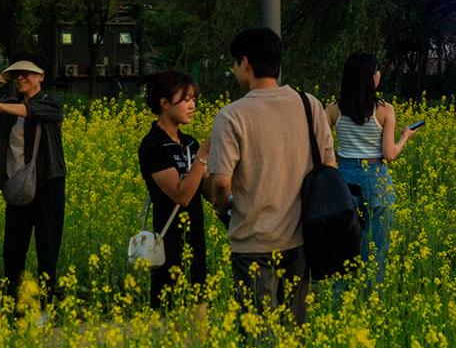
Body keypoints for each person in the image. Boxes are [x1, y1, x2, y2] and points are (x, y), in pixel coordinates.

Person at [206, 28, 336, 324]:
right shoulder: (310, 105)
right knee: (294, 332)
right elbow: (330, 167)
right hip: (300, 239)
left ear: (246, 63)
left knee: (256, 335)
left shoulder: (231, 115)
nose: (234, 70)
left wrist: (221, 205)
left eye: (235, 64)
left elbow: (222, 181)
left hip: (253, 243)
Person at [325, 52, 417, 278]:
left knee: (344, 245)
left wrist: (339, 157)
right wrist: (405, 137)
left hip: (344, 179)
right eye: (376, 72)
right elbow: (389, 154)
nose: (379, 75)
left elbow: (322, 146)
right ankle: (371, 297)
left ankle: (341, 299)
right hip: (376, 179)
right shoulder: (385, 110)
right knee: (376, 246)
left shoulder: (333, 109)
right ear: (371, 78)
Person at [0, 53, 66, 297]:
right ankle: (14, 298)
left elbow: (32, 111)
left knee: (47, 245)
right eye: (16, 74)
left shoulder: (50, 103)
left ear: (41, 76)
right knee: (13, 248)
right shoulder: (6, 102)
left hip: (47, 183)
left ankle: (47, 297)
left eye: (27, 73)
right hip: (17, 186)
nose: (21, 77)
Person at [137, 71, 211, 309]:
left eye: (193, 99)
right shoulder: (152, 145)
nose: (193, 105)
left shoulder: (190, 143)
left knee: (199, 307)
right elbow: (182, 194)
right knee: (170, 314)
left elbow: (206, 190)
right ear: (165, 103)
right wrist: (202, 158)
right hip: (168, 242)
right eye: (186, 99)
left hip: (195, 237)